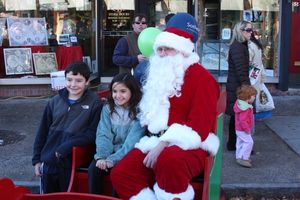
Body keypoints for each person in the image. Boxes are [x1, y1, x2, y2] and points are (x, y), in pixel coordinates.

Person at [111, 13, 220, 200]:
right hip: (155, 141)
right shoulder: (160, 75)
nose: (161, 54)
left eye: (167, 49)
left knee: (170, 161)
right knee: (122, 173)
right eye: (159, 49)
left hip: (191, 144)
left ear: (183, 50)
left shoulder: (202, 78)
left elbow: (199, 128)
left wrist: (164, 143)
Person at [32, 61, 102, 193]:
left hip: (72, 163)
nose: (73, 84)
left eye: (79, 80)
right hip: (49, 161)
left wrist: (68, 145)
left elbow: (92, 133)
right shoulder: (54, 101)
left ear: (87, 82)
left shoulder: (95, 103)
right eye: (69, 80)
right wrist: (36, 160)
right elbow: (42, 131)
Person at [88, 73, 145, 194]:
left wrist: (112, 160)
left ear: (132, 91)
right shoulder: (108, 109)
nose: (117, 96)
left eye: (123, 91)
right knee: (94, 169)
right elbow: (103, 133)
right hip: (109, 151)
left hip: (128, 153)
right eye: (114, 91)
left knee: (118, 172)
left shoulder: (140, 112)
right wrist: (102, 157)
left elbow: (132, 142)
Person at [225, 21, 252, 151]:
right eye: (248, 30)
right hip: (238, 87)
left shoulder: (240, 46)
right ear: (240, 31)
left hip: (237, 86)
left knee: (236, 116)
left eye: (251, 30)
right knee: (240, 116)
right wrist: (248, 91)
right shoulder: (238, 47)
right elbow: (241, 71)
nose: (251, 32)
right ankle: (240, 145)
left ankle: (233, 144)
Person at [234, 85, 257, 168]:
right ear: (248, 97)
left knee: (240, 142)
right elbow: (243, 121)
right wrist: (247, 130)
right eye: (253, 96)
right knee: (249, 142)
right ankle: (244, 158)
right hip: (243, 129)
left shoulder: (240, 104)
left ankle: (239, 156)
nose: (254, 97)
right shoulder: (245, 108)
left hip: (239, 128)